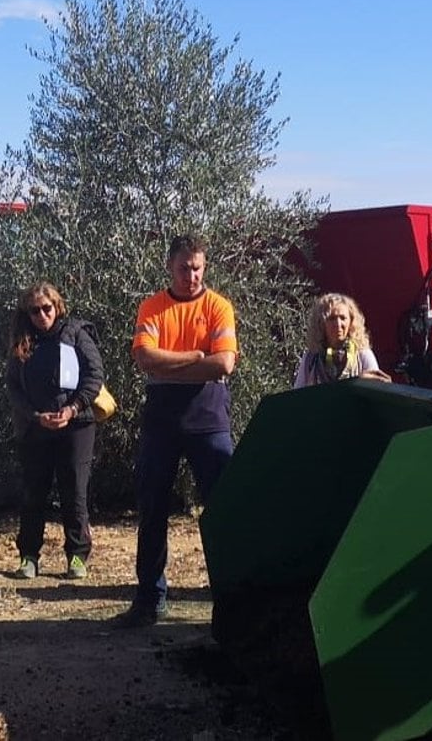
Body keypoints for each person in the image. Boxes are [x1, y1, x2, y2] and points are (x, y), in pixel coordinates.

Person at [114, 234, 237, 628]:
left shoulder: (218, 306)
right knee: (152, 509)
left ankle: (232, 598)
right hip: (162, 422)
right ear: (170, 266)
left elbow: (223, 365)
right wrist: (193, 356)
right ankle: (150, 598)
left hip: (208, 419)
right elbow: (145, 358)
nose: (192, 275)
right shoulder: (153, 306)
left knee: (223, 510)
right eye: (184, 268)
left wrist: (172, 366)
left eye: (198, 267)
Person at [4, 282, 105, 581]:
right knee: (33, 493)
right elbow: (13, 388)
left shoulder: (76, 334)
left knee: (74, 491)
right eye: (34, 311)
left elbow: (94, 375)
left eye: (46, 308)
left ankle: (77, 556)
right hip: (36, 428)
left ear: (57, 307)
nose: (41, 315)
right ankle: (29, 557)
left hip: (76, 426)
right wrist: (35, 416)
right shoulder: (22, 342)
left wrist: (72, 409)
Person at [292, 293, 390, 387]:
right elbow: (298, 396)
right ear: (321, 323)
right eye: (332, 318)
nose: (338, 324)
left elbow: (377, 390)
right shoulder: (311, 359)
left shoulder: (362, 355)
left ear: (351, 321)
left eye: (343, 318)